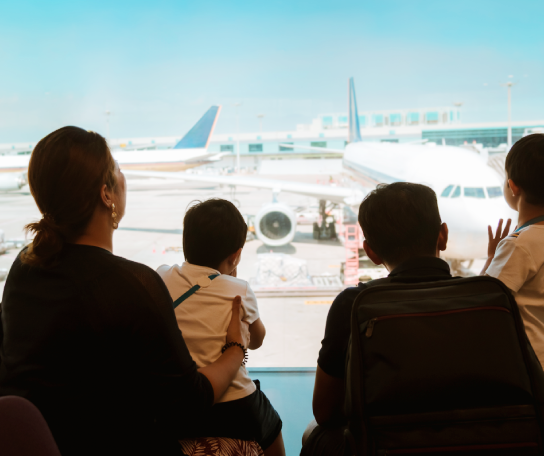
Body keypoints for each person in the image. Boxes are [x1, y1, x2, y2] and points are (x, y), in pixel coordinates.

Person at [0, 127, 249, 456]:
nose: (123, 176)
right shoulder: (132, 284)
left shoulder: (25, 265)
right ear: (106, 194)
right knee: (251, 443)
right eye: (117, 167)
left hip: (33, 443)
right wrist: (235, 349)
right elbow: (190, 402)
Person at [302, 182, 450, 456]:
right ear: (443, 236)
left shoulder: (352, 305)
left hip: (383, 445)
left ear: (371, 252)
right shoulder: (488, 296)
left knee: (313, 432)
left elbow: (324, 411)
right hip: (474, 440)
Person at [157, 198, 285, 456]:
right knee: (272, 426)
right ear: (236, 255)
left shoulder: (161, 276)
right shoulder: (239, 289)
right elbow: (257, 340)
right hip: (234, 403)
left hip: (176, 403)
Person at [482, 133, 544, 367]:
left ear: (513, 186)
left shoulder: (520, 245)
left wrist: (491, 258)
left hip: (532, 368)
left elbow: (482, 300)